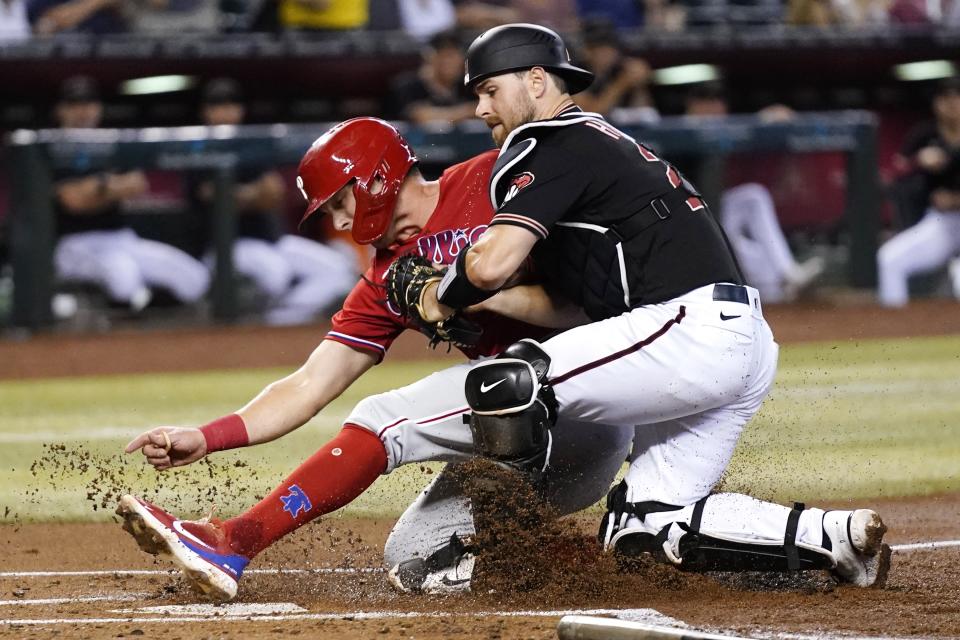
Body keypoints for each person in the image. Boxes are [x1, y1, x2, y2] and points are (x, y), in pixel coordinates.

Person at [407, 23, 889, 588]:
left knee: (509, 383)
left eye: (490, 90)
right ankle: (836, 537)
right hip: (727, 338)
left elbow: (487, 264)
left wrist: (439, 295)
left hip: (686, 329)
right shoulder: (596, 145)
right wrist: (492, 299)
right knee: (644, 526)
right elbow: (578, 311)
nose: (480, 107)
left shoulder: (550, 140)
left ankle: (494, 555)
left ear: (537, 80)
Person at [118, 117, 632, 601]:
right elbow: (309, 384)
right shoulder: (387, 278)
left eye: (338, 202)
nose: (338, 220)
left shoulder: (492, 179)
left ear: (377, 179)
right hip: (526, 451)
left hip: (589, 402)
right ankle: (621, 565)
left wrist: (471, 291)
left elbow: (590, 298)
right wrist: (209, 436)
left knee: (382, 418)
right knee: (414, 555)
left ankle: (233, 540)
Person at [189, 78, 356, 325]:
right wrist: (253, 194)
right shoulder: (197, 146)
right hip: (226, 246)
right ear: (206, 111)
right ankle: (261, 324)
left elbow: (275, 192)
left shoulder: (249, 144)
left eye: (231, 105)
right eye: (218, 106)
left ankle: (281, 320)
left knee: (338, 270)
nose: (226, 112)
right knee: (275, 272)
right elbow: (212, 196)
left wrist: (244, 195)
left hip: (271, 240)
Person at [51, 76, 209, 313]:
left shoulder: (110, 143)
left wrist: (97, 187)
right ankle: (115, 336)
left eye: (89, 104)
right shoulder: (52, 147)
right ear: (61, 110)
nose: (83, 111)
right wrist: (111, 186)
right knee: (123, 278)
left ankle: (152, 328)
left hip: (121, 238)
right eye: (75, 105)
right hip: (74, 244)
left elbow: (137, 184)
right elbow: (73, 201)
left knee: (193, 278)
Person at [683, 80, 825, 303]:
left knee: (753, 196)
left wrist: (765, 118)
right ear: (693, 105)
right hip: (690, 223)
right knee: (757, 271)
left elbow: (743, 127)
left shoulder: (724, 129)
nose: (715, 110)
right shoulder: (680, 130)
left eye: (718, 103)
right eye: (708, 103)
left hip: (718, 216)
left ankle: (789, 275)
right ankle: (781, 287)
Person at [878, 76, 960, 307]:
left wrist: (955, 199)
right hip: (942, 222)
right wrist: (918, 161)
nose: (953, 103)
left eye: (957, 97)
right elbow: (892, 173)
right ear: (937, 103)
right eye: (946, 98)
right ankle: (896, 338)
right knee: (890, 260)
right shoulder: (925, 135)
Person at [385, 29, 476, 125]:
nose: (448, 62)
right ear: (429, 57)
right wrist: (468, 111)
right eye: (443, 55)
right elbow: (420, 117)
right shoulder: (408, 86)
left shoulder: (467, 86)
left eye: (453, 56)